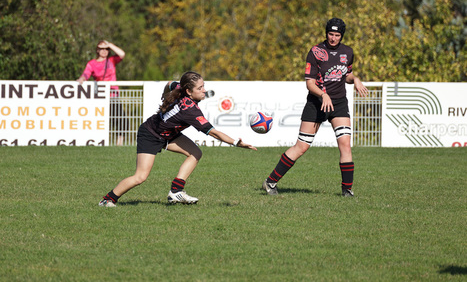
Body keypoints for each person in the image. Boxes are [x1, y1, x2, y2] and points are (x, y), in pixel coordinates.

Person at [99, 71, 257, 207]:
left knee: (195, 153)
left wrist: (164, 93)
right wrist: (237, 143)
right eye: (200, 88)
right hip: (150, 134)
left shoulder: (180, 88)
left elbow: (169, 84)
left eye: (204, 86)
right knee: (140, 177)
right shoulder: (191, 111)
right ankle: (108, 200)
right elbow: (213, 133)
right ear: (189, 91)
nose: (204, 90)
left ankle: (176, 191)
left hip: (167, 134)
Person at [263, 18, 368, 197]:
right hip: (316, 103)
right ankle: (270, 182)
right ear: (326, 33)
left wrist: (355, 79)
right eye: (330, 34)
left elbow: (346, 74)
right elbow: (310, 83)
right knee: (302, 146)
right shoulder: (316, 52)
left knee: (345, 145)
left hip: (339, 103)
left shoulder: (347, 52)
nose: (333, 38)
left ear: (342, 35)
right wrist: (323, 94)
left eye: (337, 35)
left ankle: (347, 190)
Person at [77, 40, 127, 146]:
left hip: (113, 96)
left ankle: (119, 143)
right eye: (101, 49)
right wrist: (80, 80)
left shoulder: (112, 60)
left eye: (106, 49)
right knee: (99, 120)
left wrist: (110, 44)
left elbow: (122, 54)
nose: (104, 51)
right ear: (97, 50)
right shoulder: (92, 64)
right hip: (100, 96)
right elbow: (85, 75)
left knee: (121, 119)